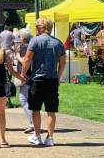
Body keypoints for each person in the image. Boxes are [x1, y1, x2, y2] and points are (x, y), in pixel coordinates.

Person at [21, 17, 67, 146]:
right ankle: (50, 138)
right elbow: (63, 62)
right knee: (51, 111)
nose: (35, 29)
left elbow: (27, 59)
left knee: (35, 109)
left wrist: (23, 74)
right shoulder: (58, 43)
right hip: (52, 79)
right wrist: (58, 77)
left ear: (41, 27)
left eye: (36, 26)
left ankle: (37, 136)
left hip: (37, 79)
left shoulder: (35, 41)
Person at [15, 29, 34, 134]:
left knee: (23, 99)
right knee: (28, 99)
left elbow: (26, 61)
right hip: (29, 75)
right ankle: (32, 122)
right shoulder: (27, 47)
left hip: (26, 75)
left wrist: (19, 58)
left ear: (22, 38)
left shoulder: (25, 47)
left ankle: (33, 122)